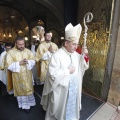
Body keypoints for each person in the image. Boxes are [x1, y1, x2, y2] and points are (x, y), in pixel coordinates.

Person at [41, 23, 89, 120]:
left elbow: (83, 66)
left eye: (77, 44)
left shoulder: (76, 55)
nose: (76, 47)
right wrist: (67, 71)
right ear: (66, 43)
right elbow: (52, 74)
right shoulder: (57, 56)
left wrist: (85, 55)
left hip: (74, 88)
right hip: (62, 90)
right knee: (60, 111)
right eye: (74, 44)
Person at [6, 36, 36, 113]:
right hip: (18, 77)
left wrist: (28, 62)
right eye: (20, 44)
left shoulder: (28, 51)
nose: (22, 46)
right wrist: (19, 63)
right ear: (15, 43)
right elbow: (8, 65)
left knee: (28, 89)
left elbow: (33, 60)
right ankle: (24, 106)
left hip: (27, 75)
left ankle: (30, 103)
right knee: (21, 91)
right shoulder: (11, 52)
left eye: (23, 44)